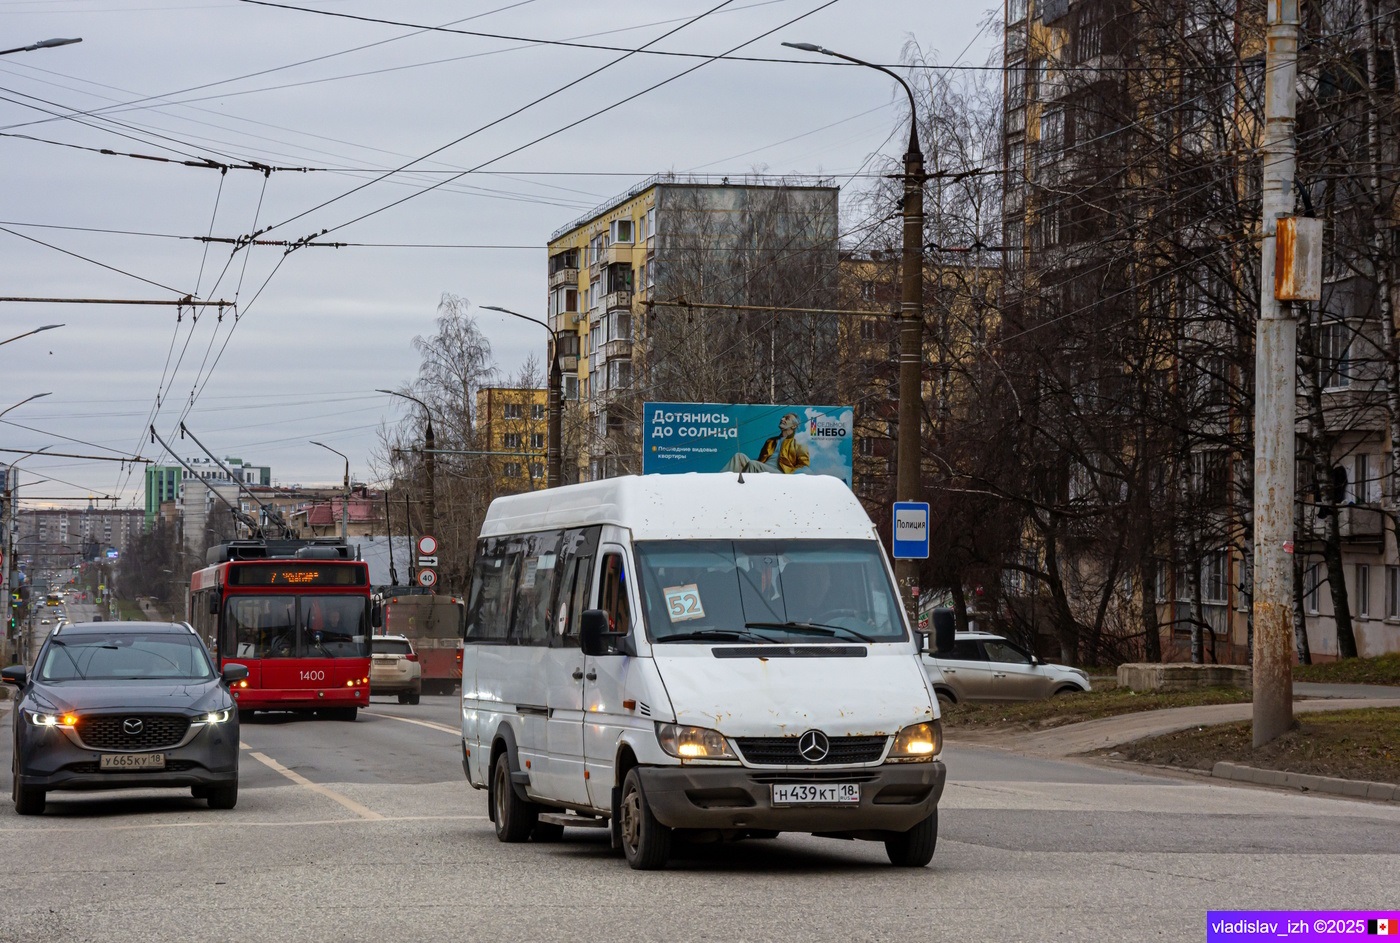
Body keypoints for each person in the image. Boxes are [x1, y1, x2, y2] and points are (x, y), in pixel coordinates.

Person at [724, 412, 810, 475]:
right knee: (739, 456)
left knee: (753, 464)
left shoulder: (799, 444)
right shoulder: (770, 441)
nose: (782, 419)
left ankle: (741, 489)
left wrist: (789, 475)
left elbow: (804, 465)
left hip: (780, 474)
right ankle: (720, 482)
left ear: (794, 426)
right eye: (782, 417)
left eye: (786, 418)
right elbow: (761, 460)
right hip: (764, 469)